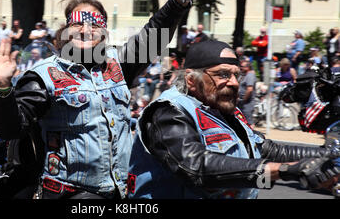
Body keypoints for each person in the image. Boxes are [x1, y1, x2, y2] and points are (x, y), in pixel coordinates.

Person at [0, 0, 206, 199]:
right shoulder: (43, 76)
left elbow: (154, 35)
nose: (86, 29)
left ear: (104, 33)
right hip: (70, 195)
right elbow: (9, 130)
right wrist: (1, 87)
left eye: (94, 23)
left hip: (122, 193)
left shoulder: (118, 66)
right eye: (77, 22)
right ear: (65, 30)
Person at [128, 40, 340, 199]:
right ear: (192, 80)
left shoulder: (224, 111)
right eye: (222, 74)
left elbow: (265, 150)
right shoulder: (168, 111)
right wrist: (285, 171)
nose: (234, 83)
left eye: (236, 75)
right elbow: (198, 168)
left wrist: (329, 155)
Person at [237, 60, 256, 126]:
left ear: (247, 67)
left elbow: (249, 89)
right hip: (242, 102)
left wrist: (243, 99)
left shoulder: (250, 76)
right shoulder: (244, 75)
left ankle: (250, 135)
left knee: (248, 122)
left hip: (247, 103)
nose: (240, 68)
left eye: (242, 67)